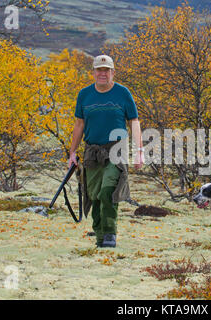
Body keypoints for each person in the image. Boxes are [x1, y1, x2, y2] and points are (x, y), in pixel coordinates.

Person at [68, 54, 143, 248]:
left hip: (116, 150)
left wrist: (139, 151)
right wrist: (72, 153)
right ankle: (100, 235)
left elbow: (134, 122)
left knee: (108, 190)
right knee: (94, 194)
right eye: (99, 70)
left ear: (113, 72)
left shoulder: (123, 93)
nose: (103, 74)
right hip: (92, 152)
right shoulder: (84, 94)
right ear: (93, 72)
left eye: (106, 70)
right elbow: (79, 124)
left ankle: (110, 233)